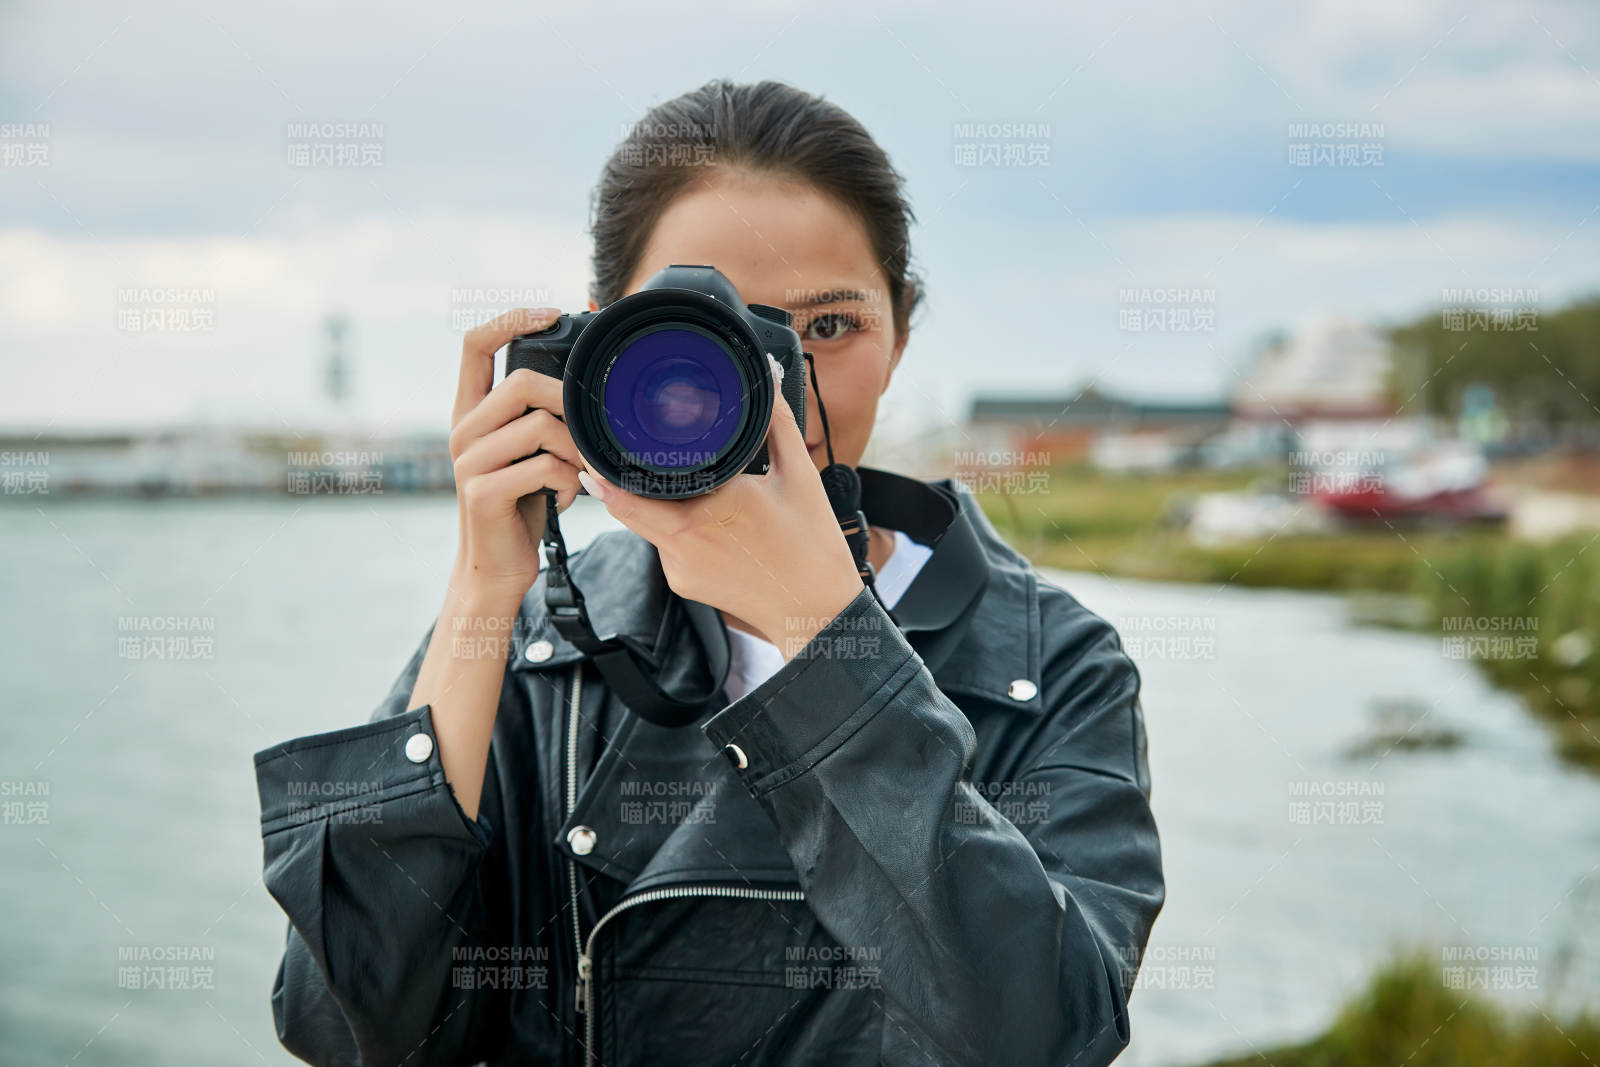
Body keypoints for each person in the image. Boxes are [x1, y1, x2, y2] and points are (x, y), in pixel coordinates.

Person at [254, 79, 1164, 1067]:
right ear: (607, 348)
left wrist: (817, 626)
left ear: (901, 330)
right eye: (712, 335)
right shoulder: (543, 634)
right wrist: (483, 586)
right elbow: (349, 1026)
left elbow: (1047, 1032)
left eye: (825, 330)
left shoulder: (1051, 660)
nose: (769, 386)